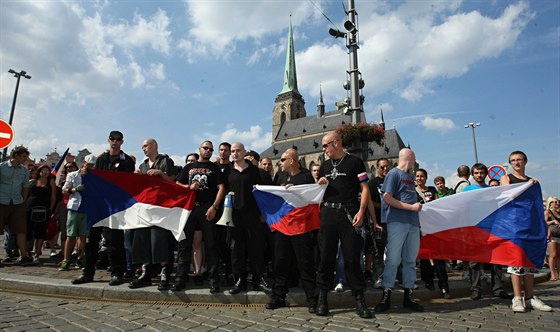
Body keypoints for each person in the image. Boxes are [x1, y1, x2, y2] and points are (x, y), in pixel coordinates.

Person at [315, 132, 372, 319]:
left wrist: (362, 212)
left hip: (349, 213)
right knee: (325, 258)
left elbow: (365, 189)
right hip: (328, 214)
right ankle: (322, 298)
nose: (323, 149)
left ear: (337, 143)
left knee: (352, 258)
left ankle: (359, 299)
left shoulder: (355, 162)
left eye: (325, 146)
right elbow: (319, 194)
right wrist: (320, 184)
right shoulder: (324, 166)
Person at [72, 130, 135, 286]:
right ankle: (88, 272)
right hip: (99, 205)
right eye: (112, 139)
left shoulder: (127, 161)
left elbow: (128, 182)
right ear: (108, 140)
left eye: (118, 139)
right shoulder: (100, 159)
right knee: (92, 241)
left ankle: (117, 273)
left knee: (116, 241)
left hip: (116, 206)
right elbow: (94, 178)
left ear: (122, 142)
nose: (115, 141)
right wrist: (87, 173)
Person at [266, 148, 318, 312]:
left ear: (292, 160)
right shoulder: (279, 176)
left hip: (300, 227)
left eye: (282, 159)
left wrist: (294, 191)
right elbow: (274, 198)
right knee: (280, 262)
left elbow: (311, 199)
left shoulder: (305, 176)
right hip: (283, 226)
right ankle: (278, 296)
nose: (280, 162)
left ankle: (313, 299)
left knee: (305, 264)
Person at [501, 151, 552, 312]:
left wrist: (544, 227)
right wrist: (527, 185)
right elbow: (506, 195)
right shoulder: (507, 179)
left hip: (531, 226)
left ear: (525, 161)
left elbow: (537, 207)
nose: (516, 163)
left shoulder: (533, 182)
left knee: (530, 263)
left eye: (519, 160)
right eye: (513, 160)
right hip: (514, 226)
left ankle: (529, 297)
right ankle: (517, 298)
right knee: (516, 261)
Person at [374, 148, 423, 313]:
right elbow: (387, 197)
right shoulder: (394, 174)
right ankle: (386, 297)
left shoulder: (409, 177)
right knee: (393, 260)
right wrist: (411, 207)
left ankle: (408, 297)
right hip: (397, 222)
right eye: (414, 157)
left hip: (413, 224)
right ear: (410, 157)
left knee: (410, 261)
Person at [173, 140, 226, 293]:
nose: (208, 151)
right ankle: (180, 278)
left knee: (211, 245)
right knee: (184, 244)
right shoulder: (189, 167)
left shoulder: (214, 168)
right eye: (205, 148)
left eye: (211, 149)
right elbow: (177, 184)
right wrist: (188, 187)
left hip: (207, 208)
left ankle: (214, 279)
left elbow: (221, 188)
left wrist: (214, 207)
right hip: (189, 209)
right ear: (199, 149)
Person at [128, 138, 177, 290]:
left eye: (146, 145)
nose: (143, 148)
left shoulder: (166, 161)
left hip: (161, 208)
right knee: (142, 240)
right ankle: (146, 273)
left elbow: (173, 181)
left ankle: (164, 273)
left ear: (154, 146)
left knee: (159, 240)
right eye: (142, 146)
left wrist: (160, 173)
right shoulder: (142, 165)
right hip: (145, 209)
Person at [227, 142, 271, 294]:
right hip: (234, 217)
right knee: (237, 249)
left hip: (253, 216)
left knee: (256, 248)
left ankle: (258, 279)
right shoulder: (228, 171)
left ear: (244, 152)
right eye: (233, 151)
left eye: (238, 150)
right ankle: (240, 280)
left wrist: (263, 214)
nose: (235, 153)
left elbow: (267, 193)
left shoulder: (256, 172)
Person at [463, 163, 510, 301]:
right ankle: (476, 289)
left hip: (492, 229)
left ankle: (498, 289)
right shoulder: (467, 190)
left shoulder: (493, 190)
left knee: (497, 260)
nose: (479, 175)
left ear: (486, 174)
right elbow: (464, 209)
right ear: (472, 174)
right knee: (474, 262)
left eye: (481, 173)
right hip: (474, 229)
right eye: (476, 173)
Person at [416, 169, 450, 299]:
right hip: (420, 226)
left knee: (438, 256)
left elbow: (438, 204)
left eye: (422, 176)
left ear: (426, 177)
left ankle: (444, 285)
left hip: (433, 226)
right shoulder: (412, 191)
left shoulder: (432, 189)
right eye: (417, 176)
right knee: (424, 255)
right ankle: (428, 281)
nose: (420, 178)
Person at [59, 157, 96, 270]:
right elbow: (64, 190)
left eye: (92, 165)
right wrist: (74, 189)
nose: (90, 167)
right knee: (71, 235)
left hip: (87, 208)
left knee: (83, 236)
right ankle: (66, 259)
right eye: (89, 164)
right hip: (74, 208)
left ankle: (80, 258)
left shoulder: (94, 176)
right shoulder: (73, 175)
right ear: (84, 163)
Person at [0, 146, 32, 266]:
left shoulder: (24, 171)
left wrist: (23, 202)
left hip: (17, 203)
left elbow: (25, 187)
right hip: (1, 202)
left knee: (21, 231)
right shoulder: (2, 167)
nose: (26, 159)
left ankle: (24, 256)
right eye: (24, 156)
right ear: (16, 155)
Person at [367, 158, 391, 289]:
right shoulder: (372, 183)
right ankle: (378, 278)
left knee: (394, 252)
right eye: (382, 167)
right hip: (379, 222)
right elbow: (369, 203)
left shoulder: (394, 182)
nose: (385, 169)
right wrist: (386, 205)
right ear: (376, 168)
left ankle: (394, 277)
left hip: (393, 222)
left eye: (387, 166)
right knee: (379, 252)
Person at [26, 164, 56, 264]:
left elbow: (53, 198)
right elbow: (26, 195)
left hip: (44, 210)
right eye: (43, 170)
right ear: (39, 172)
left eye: (47, 171)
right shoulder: (33, 182)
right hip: (31, 209)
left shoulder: (51, 183)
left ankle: (37, 254)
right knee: (29, 232)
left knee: (40, 232)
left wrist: (50, 209)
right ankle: (26, 253)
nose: (46, 172)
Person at [545, 197, 560, 281]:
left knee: (558, 255)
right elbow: (544, 222)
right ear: (550, 203)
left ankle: (558, 273)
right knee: (553, 255)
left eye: (556, 202)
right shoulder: (548, 212)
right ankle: (552, 273)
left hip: (558, 235)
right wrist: (553, 222)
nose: (555, 203)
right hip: (552, 235)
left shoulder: (558, 212)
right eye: (553, 202)